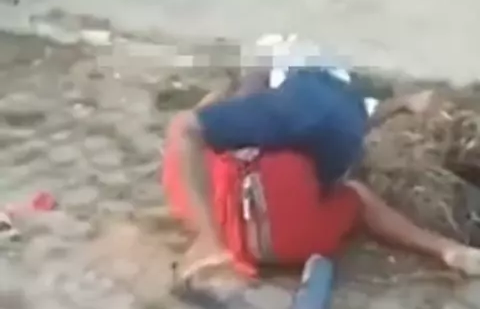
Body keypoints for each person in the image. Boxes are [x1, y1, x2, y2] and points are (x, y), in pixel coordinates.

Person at [163, 73, 480, 282]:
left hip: (232, 228)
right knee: (356, 195)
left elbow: (195, 127)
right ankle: (446, 249)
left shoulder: (181, 177)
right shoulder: (318, 114)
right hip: (288, 234)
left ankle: (210, 242)